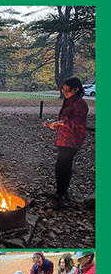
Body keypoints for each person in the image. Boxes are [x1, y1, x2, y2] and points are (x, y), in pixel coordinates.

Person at [45, 77, 89, 209]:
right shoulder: (68, 101)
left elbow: (79, 123)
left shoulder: (80, 104)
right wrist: (53, 122)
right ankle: (61, 192)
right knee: (62, 167)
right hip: (63, 139)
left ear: (76, 89)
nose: (65, 93)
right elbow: (64, 118)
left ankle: (61, 197)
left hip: (72, 141)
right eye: (63, 91)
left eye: (67, 91)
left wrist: (61, 123)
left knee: (62, 168)